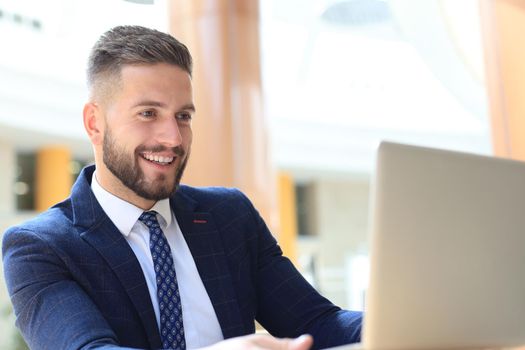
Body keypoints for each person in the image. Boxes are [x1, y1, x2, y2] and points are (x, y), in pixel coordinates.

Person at [2, 25, 362, 350]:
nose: (173, 138)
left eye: (183, 116)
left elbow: (316, 322)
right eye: (148, 113)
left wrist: (395, 320)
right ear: (95, 123)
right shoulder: (39, 247)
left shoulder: (230, 216)